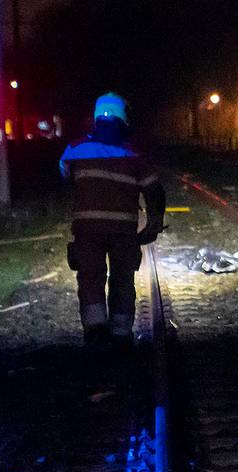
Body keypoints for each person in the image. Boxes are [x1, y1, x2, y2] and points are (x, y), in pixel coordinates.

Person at [59, 93, 165, 347]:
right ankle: (120, 333)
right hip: (123, 230)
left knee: (90, 277)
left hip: (87, 228)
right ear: (123, 119)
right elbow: (154, 190)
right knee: (122, 279)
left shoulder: (75, 149)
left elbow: (65, 175)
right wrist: (154, 223)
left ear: (95, 118)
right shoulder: (134, 153)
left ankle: (95, 330)